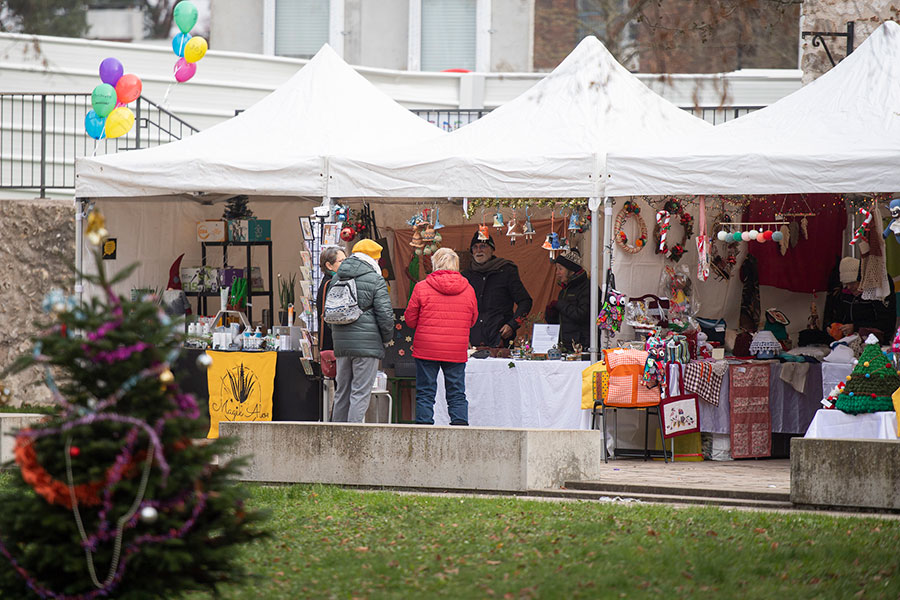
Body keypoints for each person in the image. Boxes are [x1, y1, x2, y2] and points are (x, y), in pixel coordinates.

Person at [405, 248, 477, 425]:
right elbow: (473, 320)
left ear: (435, 264)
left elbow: (410, 320)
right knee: (457, 392)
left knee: (425, 392)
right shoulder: (468, 289)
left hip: (427, 348)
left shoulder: (422, 287)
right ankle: (459, 431)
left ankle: (424, 431)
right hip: (455, 348)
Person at [330, 239, 394, 422]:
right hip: (368, 344)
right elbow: (385, 315)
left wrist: (339, 335)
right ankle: (353, 441)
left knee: (342, 391)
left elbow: (329, 312)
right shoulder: (375, 279)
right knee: (360, 392)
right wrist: (386, 338)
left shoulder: (337, 276)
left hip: (341, 344)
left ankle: (337, 437)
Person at [462, 231, 532, 348]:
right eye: (475, 247)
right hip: (472, 341)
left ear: (492, 249)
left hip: (500, 339)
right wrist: (462, 335)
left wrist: (512, 325)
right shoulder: (466, 276)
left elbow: (525, 301)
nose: (478, 251)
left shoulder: (506, 270)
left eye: (483, 246)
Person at [822, 256, 896, 344]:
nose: (849, 288)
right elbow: (836, 315)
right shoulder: (844, 294)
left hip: (874, 343)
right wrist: (830, 326)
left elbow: (886, 324)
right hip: (848, 343)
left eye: (852, 283)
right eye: (846, 284)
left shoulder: (877, 293)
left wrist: (856, 327)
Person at [544, 248, 591, 354]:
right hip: (565, 346)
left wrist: (560, 305)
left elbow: (582, 314)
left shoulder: (588, 288)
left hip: (581, 346)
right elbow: (563, 319)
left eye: (560, 269)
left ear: (571, 270)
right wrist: (551, 315)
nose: (557, 273)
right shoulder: (565, 290)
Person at [315, 246, 346, 353]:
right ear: (329, 265)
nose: (345, 264)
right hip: (332, 342)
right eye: (341, 261)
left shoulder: (331, 281)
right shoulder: (330, 284)